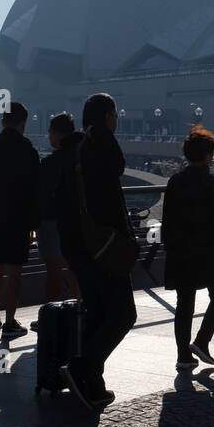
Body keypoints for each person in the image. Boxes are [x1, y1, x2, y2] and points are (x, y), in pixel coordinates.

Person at [60, 93, 138, 410]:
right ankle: (82, 369)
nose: (116, 120)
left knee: (99, 312)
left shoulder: (76, 148)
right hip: (103, 247)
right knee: (123, 314)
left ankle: (92, 382)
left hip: (78, 245)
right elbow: (117, 167)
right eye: (114, 115)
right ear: (107, 117)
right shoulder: (100, 143)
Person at [162, 125, 214, 372]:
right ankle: (202, 341)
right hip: (208, 252)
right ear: (208, 155)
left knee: (184, 304)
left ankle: (183, 355)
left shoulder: (175, 181)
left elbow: (167, 219)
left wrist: (170, 247)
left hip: (181, 252)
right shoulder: (212, 184)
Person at [0, 102, 40, 338]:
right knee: (15, 272)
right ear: (23, 122)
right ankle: (10, 321)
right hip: (21, 217)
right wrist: (34, 223)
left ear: (3, 121)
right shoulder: (28, 150)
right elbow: (35, 189)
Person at [37, 112, 81, 303]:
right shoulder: (81, 158)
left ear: (57, 133)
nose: (49, 136)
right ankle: (79, 308)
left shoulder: (49, 163)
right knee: (75, 270)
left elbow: (41, 195)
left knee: (53, 272)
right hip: (77, 220)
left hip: (51, 222)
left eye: (50, 132)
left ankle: (51, 313)